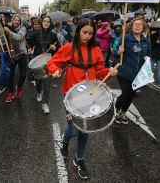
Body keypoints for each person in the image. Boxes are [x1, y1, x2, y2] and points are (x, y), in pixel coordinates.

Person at [47, 19, 118, 180]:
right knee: (73, 130)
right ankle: (65, 142)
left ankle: (79, 159)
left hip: (91, 94)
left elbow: (100, 71)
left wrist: (109, 71)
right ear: (78, 31)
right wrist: (55, 71)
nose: (87, 36)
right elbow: (53, 62)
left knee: (86, 129)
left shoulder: (96, 49)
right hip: (71, 94)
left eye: (90, 33)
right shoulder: (68, 48)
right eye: (84, 32)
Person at [114, 19, 151, 124]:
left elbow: (149, 53)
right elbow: (114, 50)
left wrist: (147, 57)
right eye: (135, 24)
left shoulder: (145, 41)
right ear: (131, 26)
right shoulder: (125, 38)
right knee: (126, 93)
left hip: (138, 74)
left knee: (131, 95)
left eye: (140, 24)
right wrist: (119, 51)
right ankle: (117, 110)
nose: (137, 26)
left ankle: (123, 112)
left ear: (143, 27)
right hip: (124, 71)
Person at [28, 15, 59, 114]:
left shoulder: (53, 35)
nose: (46, 23)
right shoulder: (36, 34)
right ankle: (38, 92)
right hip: (37, 61)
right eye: (44, 21)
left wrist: (54, 48)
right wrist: (29, 49)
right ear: (42, 23)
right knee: (38, 82)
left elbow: (57, 47)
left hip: (48, 62)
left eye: (48, 22)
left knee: (47, 84)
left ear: (50, 24)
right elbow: (30, 44)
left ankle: (45, 104)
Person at [3, 14, 27, 103]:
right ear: (12, 21)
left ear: (20, 22)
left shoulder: (23, 29)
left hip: (22, 54)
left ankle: (19, 88)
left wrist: (8, 32)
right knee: (11, 75)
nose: (16, 21)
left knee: (23, 75)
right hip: (12, 55)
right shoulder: (7, 27)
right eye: (15, 20)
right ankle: (10, 93)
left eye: (18, 20)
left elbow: (19, 37)